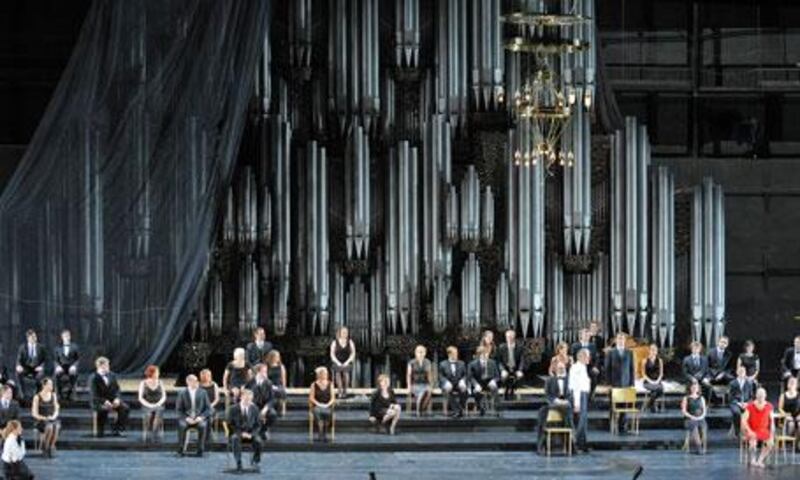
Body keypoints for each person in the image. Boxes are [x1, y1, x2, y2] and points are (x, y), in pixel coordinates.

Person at [89, 356, 129, 437]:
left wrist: (117, 399)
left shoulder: (112, 375)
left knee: (125, 408)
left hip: (112, 400)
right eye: (106, 366)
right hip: (99, 401)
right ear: (100, 366)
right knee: (103, 409)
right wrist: (104, 401)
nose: (108, 367)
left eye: (108, 365)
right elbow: (94, 395)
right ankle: (100, 431)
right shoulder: (93, 378)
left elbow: (117, 389)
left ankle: (116, 428)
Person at [537, 362, 572, 454]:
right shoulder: (549, 380)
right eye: (559, 368)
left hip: (565, 404)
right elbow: (547, 395)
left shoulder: (569, 380)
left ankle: (571, 444)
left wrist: (566, 401)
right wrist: (555, 401)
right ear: (555, 369)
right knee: (543, 414)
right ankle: (541, 446)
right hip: (553, 404)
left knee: (568, 409)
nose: (561, 369)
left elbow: (571, 394)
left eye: (563, 368)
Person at [605, 332, 635, 433]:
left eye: (622, 339)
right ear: (616, 340)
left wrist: (632, 384)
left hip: (626, 383)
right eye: (619, 339)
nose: (621, 340)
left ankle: (623, 426)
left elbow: (631, 369)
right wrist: (608, 384)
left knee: (625, 406)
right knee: (612, 406)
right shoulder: (611, 352)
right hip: (614, 383)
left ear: (625, 341)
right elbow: (607, 369)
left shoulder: (629, 352)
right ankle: (612, 425)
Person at [176, 374, 211, 457]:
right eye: (194, 381)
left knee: (202, 426)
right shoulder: (182, 393)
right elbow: (178, 410)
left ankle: (200, 450)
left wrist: (200, 417)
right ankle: (181, 450)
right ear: (188, 382)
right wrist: (186, 418)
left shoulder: (203, 392)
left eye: (196, 381)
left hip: (198, 418)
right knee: (182, 425)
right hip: (186, 418)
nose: (196, 383)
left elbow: (209, 409)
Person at [227, 389, 262, 471]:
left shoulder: (254, 408)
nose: (248, 401)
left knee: (258, 441)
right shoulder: (233, 409)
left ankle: (256, 461)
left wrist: (252, 434)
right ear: (241, 397)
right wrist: (241, 433)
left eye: (250, 399)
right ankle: (238, 462)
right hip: (237, 432)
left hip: (250, 433)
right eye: (246, 398)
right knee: (235, 438)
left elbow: (258, 425)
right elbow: (230, 424)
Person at [741, 387, 774, 468]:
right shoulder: (750, 406)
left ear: (765, 395)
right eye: (759, 394)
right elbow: (743, 420)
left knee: (770, 443)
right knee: (753, 443)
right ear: (756, 395)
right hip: (753, 430)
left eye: (762, 395)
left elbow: (772, 422)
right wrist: (749, 431)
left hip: (764, 430)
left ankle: (760, 460)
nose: (761, 396)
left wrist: (772, 434)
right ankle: (753, 460)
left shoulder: (769, 406)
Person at [246, 364, 277, 440]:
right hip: (253, 405)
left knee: (272, 414)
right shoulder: (250, 382)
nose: (266, 374)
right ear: (258, 372)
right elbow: (246, 395)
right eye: (264, 372)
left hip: (264, 406)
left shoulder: (268, 383)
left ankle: (263, 430)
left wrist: (265, 409)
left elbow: (272, 399)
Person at [31, 378, 60, 458]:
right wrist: (44, 418)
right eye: (49, 384)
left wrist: (53, 416)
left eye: (52, 384)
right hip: (41, 419)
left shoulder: (53, 395)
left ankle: (51, 446)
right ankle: (45, 447)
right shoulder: (37, 397)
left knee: (56, 426)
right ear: (44, 385)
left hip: (52, 418)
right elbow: (34, 413)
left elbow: (56, 409)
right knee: (49, 427)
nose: (51, 386)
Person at [15, 330, 47, 402]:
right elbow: (19, 359)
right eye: (32, 337)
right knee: (18, 373)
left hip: (37, 367)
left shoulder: (41, 347)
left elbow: (46, 359)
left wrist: (41, 366)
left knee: (40, 375)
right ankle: (22, 395)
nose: (34, 338)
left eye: (35, 336)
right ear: (28, 338)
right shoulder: (22, 347)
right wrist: (18, 365)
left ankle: (37, 395)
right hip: (26, 368)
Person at [570, 350, 592, 453]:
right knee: (580, 422)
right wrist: (577, 403)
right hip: (579, 396)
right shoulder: (576, 368)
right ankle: (577, 445)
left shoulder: (583, 367)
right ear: (581, 357)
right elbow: (575, 387)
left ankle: (583, 444)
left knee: (583, 422)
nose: (589, 358)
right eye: (587, 356)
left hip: (584, 395)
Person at [467, 346, 500, 416]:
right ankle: (482, 408)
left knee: (494, 387)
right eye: (483, 354)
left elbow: (497, 376)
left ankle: (496, 408)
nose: (485, 355)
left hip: (489, 382)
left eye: (486, 354)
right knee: (477, 391)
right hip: (478, 383)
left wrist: (494, 380)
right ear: (479, 355)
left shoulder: (492, 363)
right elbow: (470, 377)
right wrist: (475, 384)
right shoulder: (472, 364)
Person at [138, 365, 166, 443]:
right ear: (152, 373)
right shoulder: (143, 383)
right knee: (148, 414)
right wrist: (149, 405)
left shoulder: (160, 382)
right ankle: (147, 432)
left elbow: (164, 396)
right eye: (157, 372)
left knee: (158, 413)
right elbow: (140, 398)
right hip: (147, 404)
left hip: (158, 404)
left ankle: (154, 434)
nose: (158, 373)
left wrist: (158, 403)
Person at [438, 346, 468, 418]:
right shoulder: (442, 364)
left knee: (465, 390)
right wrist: (446, 382)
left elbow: (465, 375)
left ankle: (459, 409)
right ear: (449, 354)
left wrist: (463, 381)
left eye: (456, 353)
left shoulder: (462, 363)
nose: (456, 355)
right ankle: (458, 411)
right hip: (447, 385)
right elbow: (440, 376)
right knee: (448, 390)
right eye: (454, 353)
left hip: (458, 384)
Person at [308, 367, 335, 442]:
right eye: (322, 374)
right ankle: (320, 432)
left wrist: (327, 404)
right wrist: (318, 404)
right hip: (317, 405)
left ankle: (325, 433)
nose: (324, 375)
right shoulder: (314, 385)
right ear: (319, 375)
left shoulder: (330, 384)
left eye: (325, 374)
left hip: (327, 405)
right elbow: (311, 397)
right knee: (317, 411)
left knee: (328, 413)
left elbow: (333, 398)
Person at [497, 329, 525, 400]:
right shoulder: (501, 347)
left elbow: (522, 360)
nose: (509, 339)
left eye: (511, 337)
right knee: (504, 376)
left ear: (514, 337)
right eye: (507, 337)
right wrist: (502, 370)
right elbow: (499, 361)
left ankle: (513, 391)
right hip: (506, 368)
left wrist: (520, 370)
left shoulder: (520, 347)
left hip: (516, 368)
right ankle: (506, 392)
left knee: (519, 376)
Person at [681, 380, 707, 455]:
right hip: (689, 418)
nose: (694, 388)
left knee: (703, 427)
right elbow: (684, 411)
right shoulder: (686, 398)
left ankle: (701, 445)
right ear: (690, 388)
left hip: (700, 418)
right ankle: (699, 448)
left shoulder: (702, 398)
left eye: (696, 387)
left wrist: (700, 417)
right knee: (694, 427)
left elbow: (704, 411)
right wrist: (692, 417)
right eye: (693, 387)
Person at [571, 328, 600, 394]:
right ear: (581, 335)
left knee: (594, 375)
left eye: (588, 335)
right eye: (585, 335)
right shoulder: (575, 345)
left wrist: (595, 366)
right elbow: (573, 357)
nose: (587, 336)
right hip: (578, 367)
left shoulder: (593, 346)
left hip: (589, 367)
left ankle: (591, 394)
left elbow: (596, 358)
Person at [329, 327, 356, 399]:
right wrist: (338, 363)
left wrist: (347, 362)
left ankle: (345, 391)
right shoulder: (334, 342)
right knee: (338, 372)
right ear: (340, 333)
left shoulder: (350, 342)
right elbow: (332, 354)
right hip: (337, 362)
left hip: (347, 362)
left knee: (345, 373)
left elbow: (353, 353)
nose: (345, 333)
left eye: (346, 332)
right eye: (343, 332)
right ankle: (340, 391)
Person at [406, 345, 433, 416]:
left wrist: (431, 385)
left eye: (422, 352)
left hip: (425, 383)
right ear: (415, 353)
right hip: (415, 384)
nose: (421, 354)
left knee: (428, 391)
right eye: (419, 352)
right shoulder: (411, 362)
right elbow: (409, 375)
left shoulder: (427, 362)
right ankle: (420, 409)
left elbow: (429, 374)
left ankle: (421, 409)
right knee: (422, 393)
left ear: (425, 353)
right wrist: (409, 386)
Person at [53, 329, 79, 401]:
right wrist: (57, 366)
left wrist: (74, 366)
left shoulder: (75, 346)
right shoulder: (58, 347)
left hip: (71, 367)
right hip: (61, 367)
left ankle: (71, 394)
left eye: (68, 336)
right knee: (56, 375)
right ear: (62, 337)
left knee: (74, 375)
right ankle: (58, 394)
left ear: (70, 337)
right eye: (65, 336)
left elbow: (77, 359)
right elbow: (55, 360)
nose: (66, 337)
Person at [729, 365, 755, 437]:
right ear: (737, 372)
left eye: (743, 372)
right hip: (736, 403)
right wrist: (739, 403)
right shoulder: (732, 383)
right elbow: (730, 397)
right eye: (740, 371)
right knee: (736, 412)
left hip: (746, 403)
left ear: (745, 373)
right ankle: (738, 432)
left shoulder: (749, 383)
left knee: (751, 411)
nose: (741, 373)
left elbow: (751, 396)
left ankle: (749, 430)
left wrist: (747, 403)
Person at [198, 369, 220, 450]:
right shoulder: (198, 385)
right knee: (208, 417)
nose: (207, 377)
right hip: (201, 408)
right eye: (204, 375)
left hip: (211, 407)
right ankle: (207, 436)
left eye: (208, 375)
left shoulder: (214, 385)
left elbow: (217, 399)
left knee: (209, 415)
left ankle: (205, 437)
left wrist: (210, 405)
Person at [640, 343, 664, 413]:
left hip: (657, 380)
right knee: (654, 389)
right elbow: (643, 374)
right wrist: (650, 381)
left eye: (655, 350)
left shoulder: (660, 361)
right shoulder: (644, 361)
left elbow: (661, 373)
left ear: (656, 351)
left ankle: (650, 403)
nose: (653, 352)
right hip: (647, 381)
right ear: (649, 351)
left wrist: (657, 381)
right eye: (652, 350)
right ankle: (653, 406)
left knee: (660, 389)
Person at [778, 376, 800, 442]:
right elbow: (780, 408)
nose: (792, 385)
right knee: (791, 425)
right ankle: (791, 440)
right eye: (791, 383)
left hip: (797, 416)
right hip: (787, 416)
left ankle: (797, 443)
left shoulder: (799, 395)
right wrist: (786, 415)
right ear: (788, 385)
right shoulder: (783, 395)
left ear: (796, 385)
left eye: (794, 383)